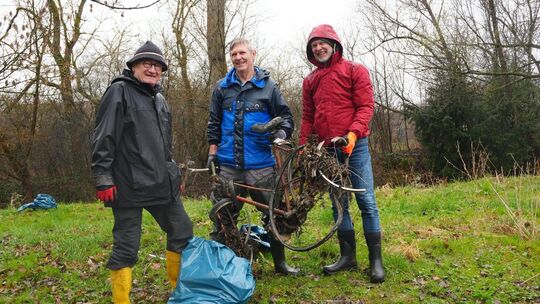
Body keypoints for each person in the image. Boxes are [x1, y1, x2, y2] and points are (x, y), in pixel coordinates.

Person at [91, 41, 194, 303]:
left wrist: (174, 175)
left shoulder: (160, 99)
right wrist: (103, 177)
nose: (152, 69)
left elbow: (164, 146)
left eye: (157, 65)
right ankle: (122, 300)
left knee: (181, 229)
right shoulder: (118, 92)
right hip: (128, 185)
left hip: (161, 183)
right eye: (146, 64)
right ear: (134, 66)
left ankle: (177, 292)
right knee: (127, 247)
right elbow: (104, 137)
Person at [299, 24, 385, 283]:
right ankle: (348, 257)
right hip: (326, 152)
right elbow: (307, 118)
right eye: (314, 45)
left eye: (322, 43)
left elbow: (366, 106)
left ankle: (376, 261)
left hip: (354, 146)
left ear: (334, 44)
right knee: (339, 205)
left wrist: (352, 134)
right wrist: (304, 147)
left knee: (366, 201)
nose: (319, 48)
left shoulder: (354, 70)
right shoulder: (310, 80)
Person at [206, 37, 298, 275]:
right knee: (223, 213)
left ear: (253, 54)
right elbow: (213, 123)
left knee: (273, 213)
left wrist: (279, 134)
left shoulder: (269, 87)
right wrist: (212, 152)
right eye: (234, 54)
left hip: (262, 166)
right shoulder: (221, 88)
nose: (238, 57)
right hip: (229, 165)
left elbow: (287, 118)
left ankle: (281, 264)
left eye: (242, 53)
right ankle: (222, 267)